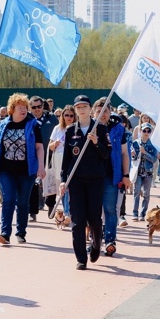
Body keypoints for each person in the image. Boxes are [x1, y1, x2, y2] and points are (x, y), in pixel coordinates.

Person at [0, 93, 45, 245]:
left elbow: (39, 147)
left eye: (25, 108)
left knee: (23, 202)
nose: (23, 110)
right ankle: (5, 233)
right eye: (20, 108)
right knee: (8, 199)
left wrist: (41, 167)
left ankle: (21, 232)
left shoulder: (32, 124)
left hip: (26, 170)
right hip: (6, 169)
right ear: (12, 109)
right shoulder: (3, 124)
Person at [59, 95, 109, 270]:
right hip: (76, 182)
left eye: (84, 106)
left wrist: (96, 143)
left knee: (94, 218)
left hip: (95, 180)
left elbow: (106, 155)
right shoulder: (71, 130)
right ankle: (81, 258)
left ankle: (96, 244)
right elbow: (66, 160)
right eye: (78, 107)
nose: (81, 110)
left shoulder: (100, 129)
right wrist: (63, 180)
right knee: (78, 221)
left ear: (90, 108)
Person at [92, 97, 132, 257]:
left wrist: (126, 175)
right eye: (99, 111)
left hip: (110, 176)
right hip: (92, 176)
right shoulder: (89, 128)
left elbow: (124, 154)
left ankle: (110, 241)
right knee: (93, 212)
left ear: (110, 112)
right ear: (94, 112)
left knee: (110, 209)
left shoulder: (117, 129)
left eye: (106, 111)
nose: (103, 114)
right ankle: (94, 241)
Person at [28, 96, 58, 222]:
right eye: (34, 107)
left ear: (43, 106)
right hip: (32, 156)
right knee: (32, 184)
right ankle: (32, 211)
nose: (37, 110)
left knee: (50, 180)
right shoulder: (27, 120)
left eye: (39, 107)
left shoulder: (51, 119)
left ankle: (50, 204)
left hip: (50, 155)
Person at [47, 104, 75, 217]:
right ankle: (66, 211)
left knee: (72, 186)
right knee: (63, 186)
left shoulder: (76, 128)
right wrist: (55, 144)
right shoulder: (57, 129)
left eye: (71, 115)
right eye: (66, 115)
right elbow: (50, 146)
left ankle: (71, 212)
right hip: (59, 159)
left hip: (73, 160)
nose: (69, 117)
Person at [131, 123, 158, 221]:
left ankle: (143, 213)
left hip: (148, 172)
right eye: (144, 130)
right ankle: (135, 213)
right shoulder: (135, 143)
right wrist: (133, 155)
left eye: (148, 131)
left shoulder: (152, 145)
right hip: (137, 172)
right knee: (136, 192)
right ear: (140, 131)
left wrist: (145, 153)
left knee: (146, 194)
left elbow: (154, 159)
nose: (146, 133)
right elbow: (132, 158)